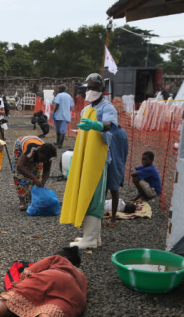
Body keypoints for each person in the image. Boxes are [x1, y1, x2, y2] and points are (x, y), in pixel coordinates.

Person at [60, 73, 118, 249]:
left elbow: (109, 124)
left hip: (98, 161)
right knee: (84, 193)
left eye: (95, 88)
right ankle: (92, 237)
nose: (91, 91)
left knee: (94, 196)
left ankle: (90, 238)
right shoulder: (86, 109)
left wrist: (98, 125)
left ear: (103, 89)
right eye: (89, 87)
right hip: (85, 158)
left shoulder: (107, 107)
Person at [13, 136, 57, 211]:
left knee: (37, 174)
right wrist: (33, 178)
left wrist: (42, 182)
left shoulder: (48, 155)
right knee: (20, 175)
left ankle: (32, 198)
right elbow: (20, 167)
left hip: (35, 146)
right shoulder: (31, 149)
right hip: (21, 144)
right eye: (43, 159)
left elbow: (46, 171)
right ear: (38, 152)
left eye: (46, 160)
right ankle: (22, 200)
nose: (44, 161)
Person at [107, 125, 129, 227]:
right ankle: (113, 218)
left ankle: (102, 218)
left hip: (109, 164)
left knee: (103, 191)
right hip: (118, 164)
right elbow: (125, 151)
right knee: (114, 191)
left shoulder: (108, 132)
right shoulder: (122, 132)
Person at [52, 85, 73, 149]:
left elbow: (57, 104)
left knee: (58, 129)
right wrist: (67, 112)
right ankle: (59, 144)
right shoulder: (69, 96)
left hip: (58, 115)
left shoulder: (59, 95)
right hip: (65, 116)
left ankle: (59, 143)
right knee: (62, 131)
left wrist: (54, 112)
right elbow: (71, 106)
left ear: (60, 89)